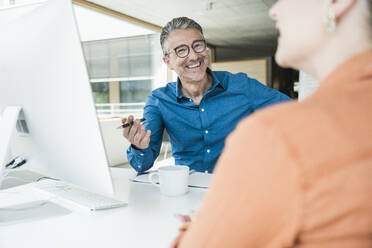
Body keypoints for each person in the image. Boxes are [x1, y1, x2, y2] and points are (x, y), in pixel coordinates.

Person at [171, 0, 372, 247]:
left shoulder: (278, 133)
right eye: (180, 50)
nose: (274, 11)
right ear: (168, 61)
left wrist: (198, 226)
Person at [122, 17, 290, 173]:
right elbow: (142, 165)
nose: (194, 56)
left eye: (198, 45)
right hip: (188, 191)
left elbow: (295, 112)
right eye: (181, 50)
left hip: (240, 187)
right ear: (168, 62)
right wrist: (139, 147)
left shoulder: (242, 85)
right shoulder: (159, 100)